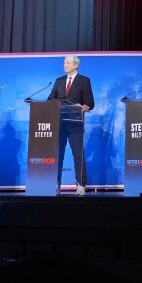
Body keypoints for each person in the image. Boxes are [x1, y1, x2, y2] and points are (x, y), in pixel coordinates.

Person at [48, 55, 94, 196]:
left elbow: (90, 103)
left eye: (68, 63)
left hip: (75, 124)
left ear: (75, 65)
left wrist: (80, 108)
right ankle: (55, 184)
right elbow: (50, 99)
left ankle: (81, 185)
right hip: (59, 124)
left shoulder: (84, 81)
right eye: (64, 63)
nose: (65, 65)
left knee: (78, 155)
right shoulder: (59, 81)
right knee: (58, 155)